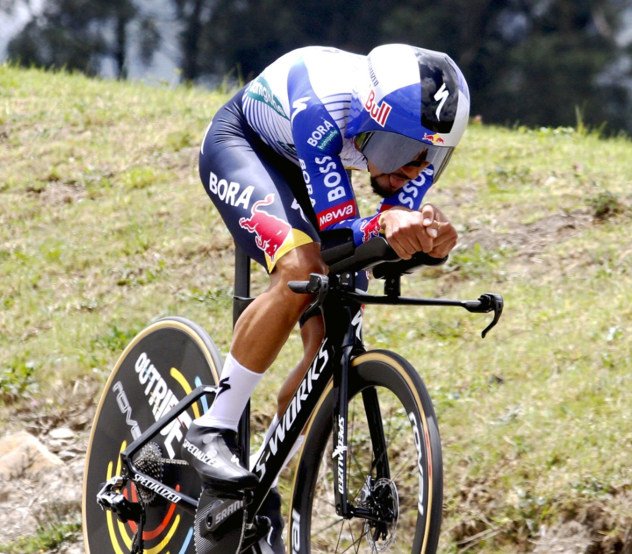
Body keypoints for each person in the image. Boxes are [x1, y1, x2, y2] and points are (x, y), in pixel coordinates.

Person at [187, 44, 469, 548]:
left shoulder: (418, 144)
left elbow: (381, 243)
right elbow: (341, 239)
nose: (413, 170)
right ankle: (214, 427)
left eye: (431, 157)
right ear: (369, 118)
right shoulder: (326, 104)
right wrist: (386, 222)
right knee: (302, 265)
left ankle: (259, 488)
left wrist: (431, 241)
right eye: (400, 153)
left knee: (343, 311)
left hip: (309, 169)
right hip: (244, 145)